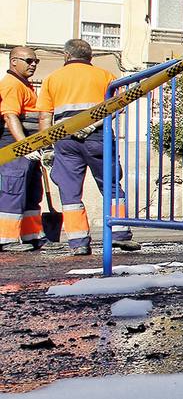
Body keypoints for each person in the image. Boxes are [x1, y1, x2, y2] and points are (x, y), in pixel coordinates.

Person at [37, 39, 139, 255]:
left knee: (70, 191)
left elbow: (45, 116)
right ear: (90, 57)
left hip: (64, 139)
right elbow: (119, 104)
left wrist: (46, 147)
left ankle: (78, 243)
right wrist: (94, 123)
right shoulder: (105, 76)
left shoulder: (52, 79)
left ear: (66, 56)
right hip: (98, 136)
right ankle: (120, 235)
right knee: (110, 184)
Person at [0, 46, 45, 251]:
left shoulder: (23, 85)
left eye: (35, 61)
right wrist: (24, 146)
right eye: (29, 61)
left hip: (27, 147)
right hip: (15, 146)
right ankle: (6, 239)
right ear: (14, 61)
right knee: (13, 191)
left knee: (31, 192)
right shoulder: (11, 85)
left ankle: (31, 235)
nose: (33, 64)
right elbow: (10, 116)